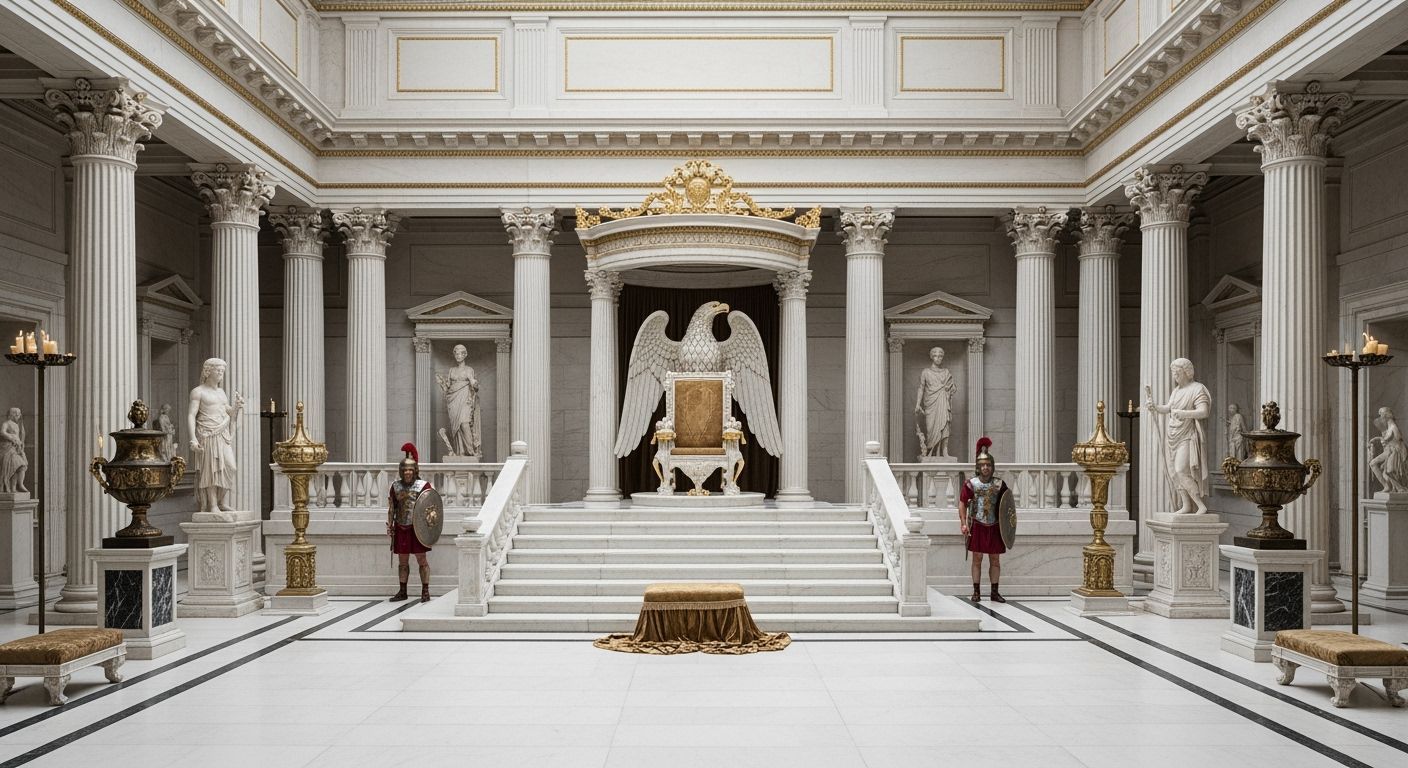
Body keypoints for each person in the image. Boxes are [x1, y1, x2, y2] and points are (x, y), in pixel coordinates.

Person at [1145, 358, 1212, 514]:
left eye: (1177, 373)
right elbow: (1168, 408)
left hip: (1187, 435)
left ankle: (1200, 505)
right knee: (1174, 472)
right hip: (1172, 435)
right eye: (1173, 373)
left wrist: (1184, 413)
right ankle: (1186, 505)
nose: (1174, 376)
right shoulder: (1176, 391)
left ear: (1187, 372)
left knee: (1182, 469)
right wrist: (1154, 407)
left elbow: (1204, 412)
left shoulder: (1197, 389)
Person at [188, 358, 244, 515]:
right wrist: (193, 438)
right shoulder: (198, 392)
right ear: (208, 371)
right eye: (218, 370)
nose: (221, 373)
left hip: (221, 434)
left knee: (230, 467)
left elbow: (229, 413)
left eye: (222, 371)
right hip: (207, 434)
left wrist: (237, 407)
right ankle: (213, 505)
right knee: (211, 471)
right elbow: (191, 415)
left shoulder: (221, 392)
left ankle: (221, 501)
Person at [959, 437, 1008, 603]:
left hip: (995, 526)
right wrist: (964, 523)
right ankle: (976, 592)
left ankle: (994, 592)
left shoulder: (999, 484)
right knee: (977, 559)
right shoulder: (971, 484)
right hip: (978, 525)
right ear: (978, 467)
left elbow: (1007, 506)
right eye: (982, 465)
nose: (985, 468)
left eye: (988, 465)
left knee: (995, 560)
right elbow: (962, 504)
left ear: (992, 467)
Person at [387, 442, 435, 602]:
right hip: (401, 526)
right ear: (401, 471)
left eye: (410, 469)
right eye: (405, 470)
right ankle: (402, 591)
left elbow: (431, 508)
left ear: (415, 470)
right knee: (403, 561)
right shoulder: (395, 486)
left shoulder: (423, 485)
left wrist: (429, 528)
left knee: (422, 560)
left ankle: (425, 591)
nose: (407, 472)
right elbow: (392, 508)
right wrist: (390, 526)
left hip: (418, 529)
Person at [436, 344, 481, 458]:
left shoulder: (469, 369)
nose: (458, 355)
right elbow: (448, 387)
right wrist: (442, 384)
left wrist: (474, 383)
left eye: (460, 353)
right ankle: (460, 452)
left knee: (464, 424)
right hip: (453, 400)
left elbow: (473, 384)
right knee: (456, 427)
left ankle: (471, 452)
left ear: (465, 354)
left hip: (465, 399)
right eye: (455, 353)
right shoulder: (452, 370)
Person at [915, 346, 957, 459]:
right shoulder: (926, 372)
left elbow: (953, 388)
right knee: (931, 428)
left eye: (940, 356)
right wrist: (918, 404)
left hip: (943, 401)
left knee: (945, 425)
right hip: (930, 403)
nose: (938, 358)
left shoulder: (946, 372)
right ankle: (931, 452)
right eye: (936, 356)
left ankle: (944, 451)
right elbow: (921, 388)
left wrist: (950, 389)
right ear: (932, 357)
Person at [1369, 406, 1408, 494]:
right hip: (1388, 451)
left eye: (1381, 415)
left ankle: (1400, 488)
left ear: (1386, 416)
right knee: (1372, 464)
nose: (1381, 418)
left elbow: (1400, 442)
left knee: (1388, 471)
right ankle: (1386, 486)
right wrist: (1376, 439)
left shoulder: (1394, 427)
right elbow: (1387, 440)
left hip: (1394, 452)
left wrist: (1402, 457)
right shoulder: (1388, 428)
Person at [0, 407, 27, 494]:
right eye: (16, 414)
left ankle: (16, 486)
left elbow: (18, 436)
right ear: (11, 415)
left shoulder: (17, 425)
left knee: (19, 467)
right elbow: (2, 432)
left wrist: (20, 444)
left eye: (19, 414)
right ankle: (14, 486)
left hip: (16, 449)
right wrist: (11, 437)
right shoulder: (6, 423)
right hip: (8, 449)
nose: (18, 416)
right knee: (18, 465)